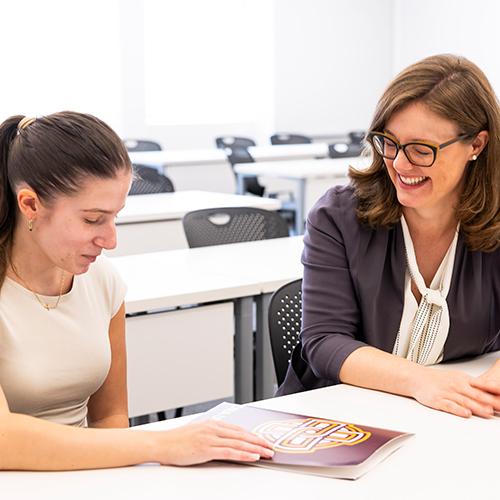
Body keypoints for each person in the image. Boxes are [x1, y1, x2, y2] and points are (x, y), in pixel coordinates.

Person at [0, 112, 274, 471]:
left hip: (85, 477)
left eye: (115, 216)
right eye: (93, 219)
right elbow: (4, 440)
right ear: (31, 205)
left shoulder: (103, 282)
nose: (111, 240)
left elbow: (110, 417)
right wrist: (160, 443)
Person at [277, 54, 500, 419]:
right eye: (389, 142)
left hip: (449, 417)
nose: (398, 163)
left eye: (420, 149)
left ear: (476, 145)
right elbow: (324, 341)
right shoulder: (338, 217)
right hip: (339, 417)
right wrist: (420, 382)